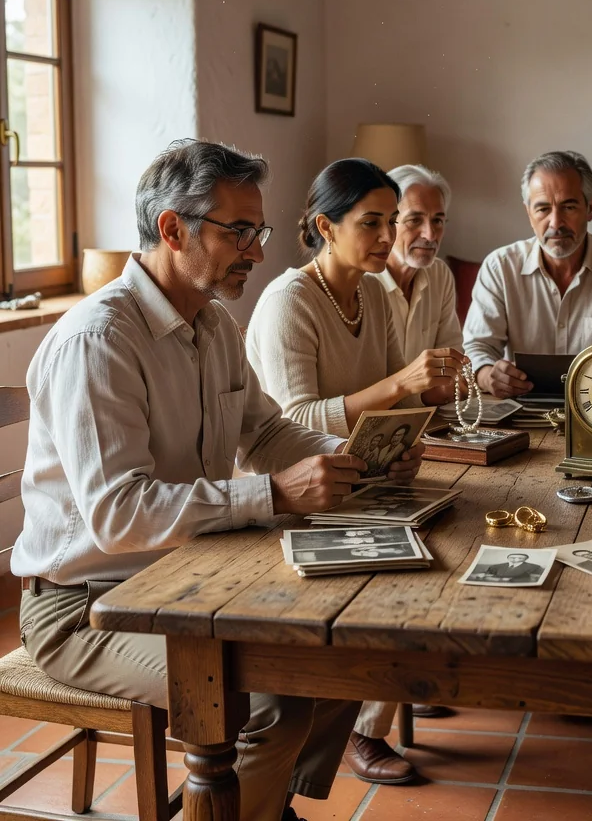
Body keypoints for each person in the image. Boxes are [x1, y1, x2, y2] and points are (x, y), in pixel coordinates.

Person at [14, 139, 376, 821]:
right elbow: (119, 516)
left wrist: (354, 454)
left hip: (186, 578)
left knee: (346, 647)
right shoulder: (100, 341)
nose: (258, 250)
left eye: (258, 231)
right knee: (267, 701)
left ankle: (255, 808)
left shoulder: (213, 324)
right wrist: (273, 494)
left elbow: (265, 433)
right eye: (239, 231)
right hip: (83, 608)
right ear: (172, 228)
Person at [246, 157, 469, 786]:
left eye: (390, 222)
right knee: (410, 576)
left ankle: (366, 713)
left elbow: (402, 400)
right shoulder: (288, 300)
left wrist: (409, 436)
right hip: (296, 490)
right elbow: (290, 421)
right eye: (372, 222)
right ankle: (355, 730)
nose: (387, 237)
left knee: (448, 548)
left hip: (362, 481)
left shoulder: (375, 291)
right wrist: (402, 385)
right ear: (325, 224)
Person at [464, 151, 592, 398]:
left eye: (568, 207)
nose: (555, 223)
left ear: (590, 208)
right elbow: (477, 347)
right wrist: (487, 375)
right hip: (520, 410)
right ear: (528, 213)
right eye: (543, 209)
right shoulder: (500, 267)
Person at [370, 164, 463, 366]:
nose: (430, 235)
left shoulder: (439, 274)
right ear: (388, 222)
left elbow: (452, 361)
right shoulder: (363, 282)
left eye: (438, 221)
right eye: (414, 220)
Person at [473, 552, 544, 583]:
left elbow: (534, 578)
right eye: (512, 557)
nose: (515, 559)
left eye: (520, 558)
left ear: (526, 559)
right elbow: (487, 574)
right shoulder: (496, 566)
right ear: (508, 558)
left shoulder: (534, 567)